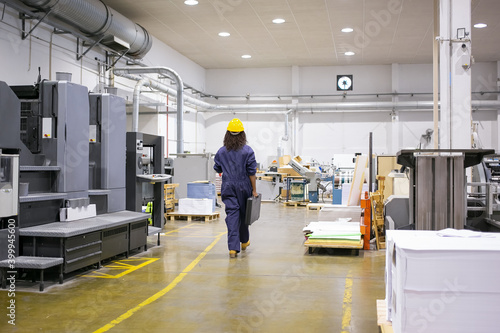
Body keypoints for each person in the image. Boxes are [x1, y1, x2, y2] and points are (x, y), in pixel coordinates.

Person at [214, 118, 258, 258]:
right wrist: (254, 190)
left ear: (227, 134)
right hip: (244, 185)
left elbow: (217, 168)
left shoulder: (221, 152)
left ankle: (233, 248)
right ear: (242, 134)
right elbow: (252, 173)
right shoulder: (248, 151)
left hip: (228, 186)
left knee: (232, 215)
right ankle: (244, 241)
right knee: (245, 214)